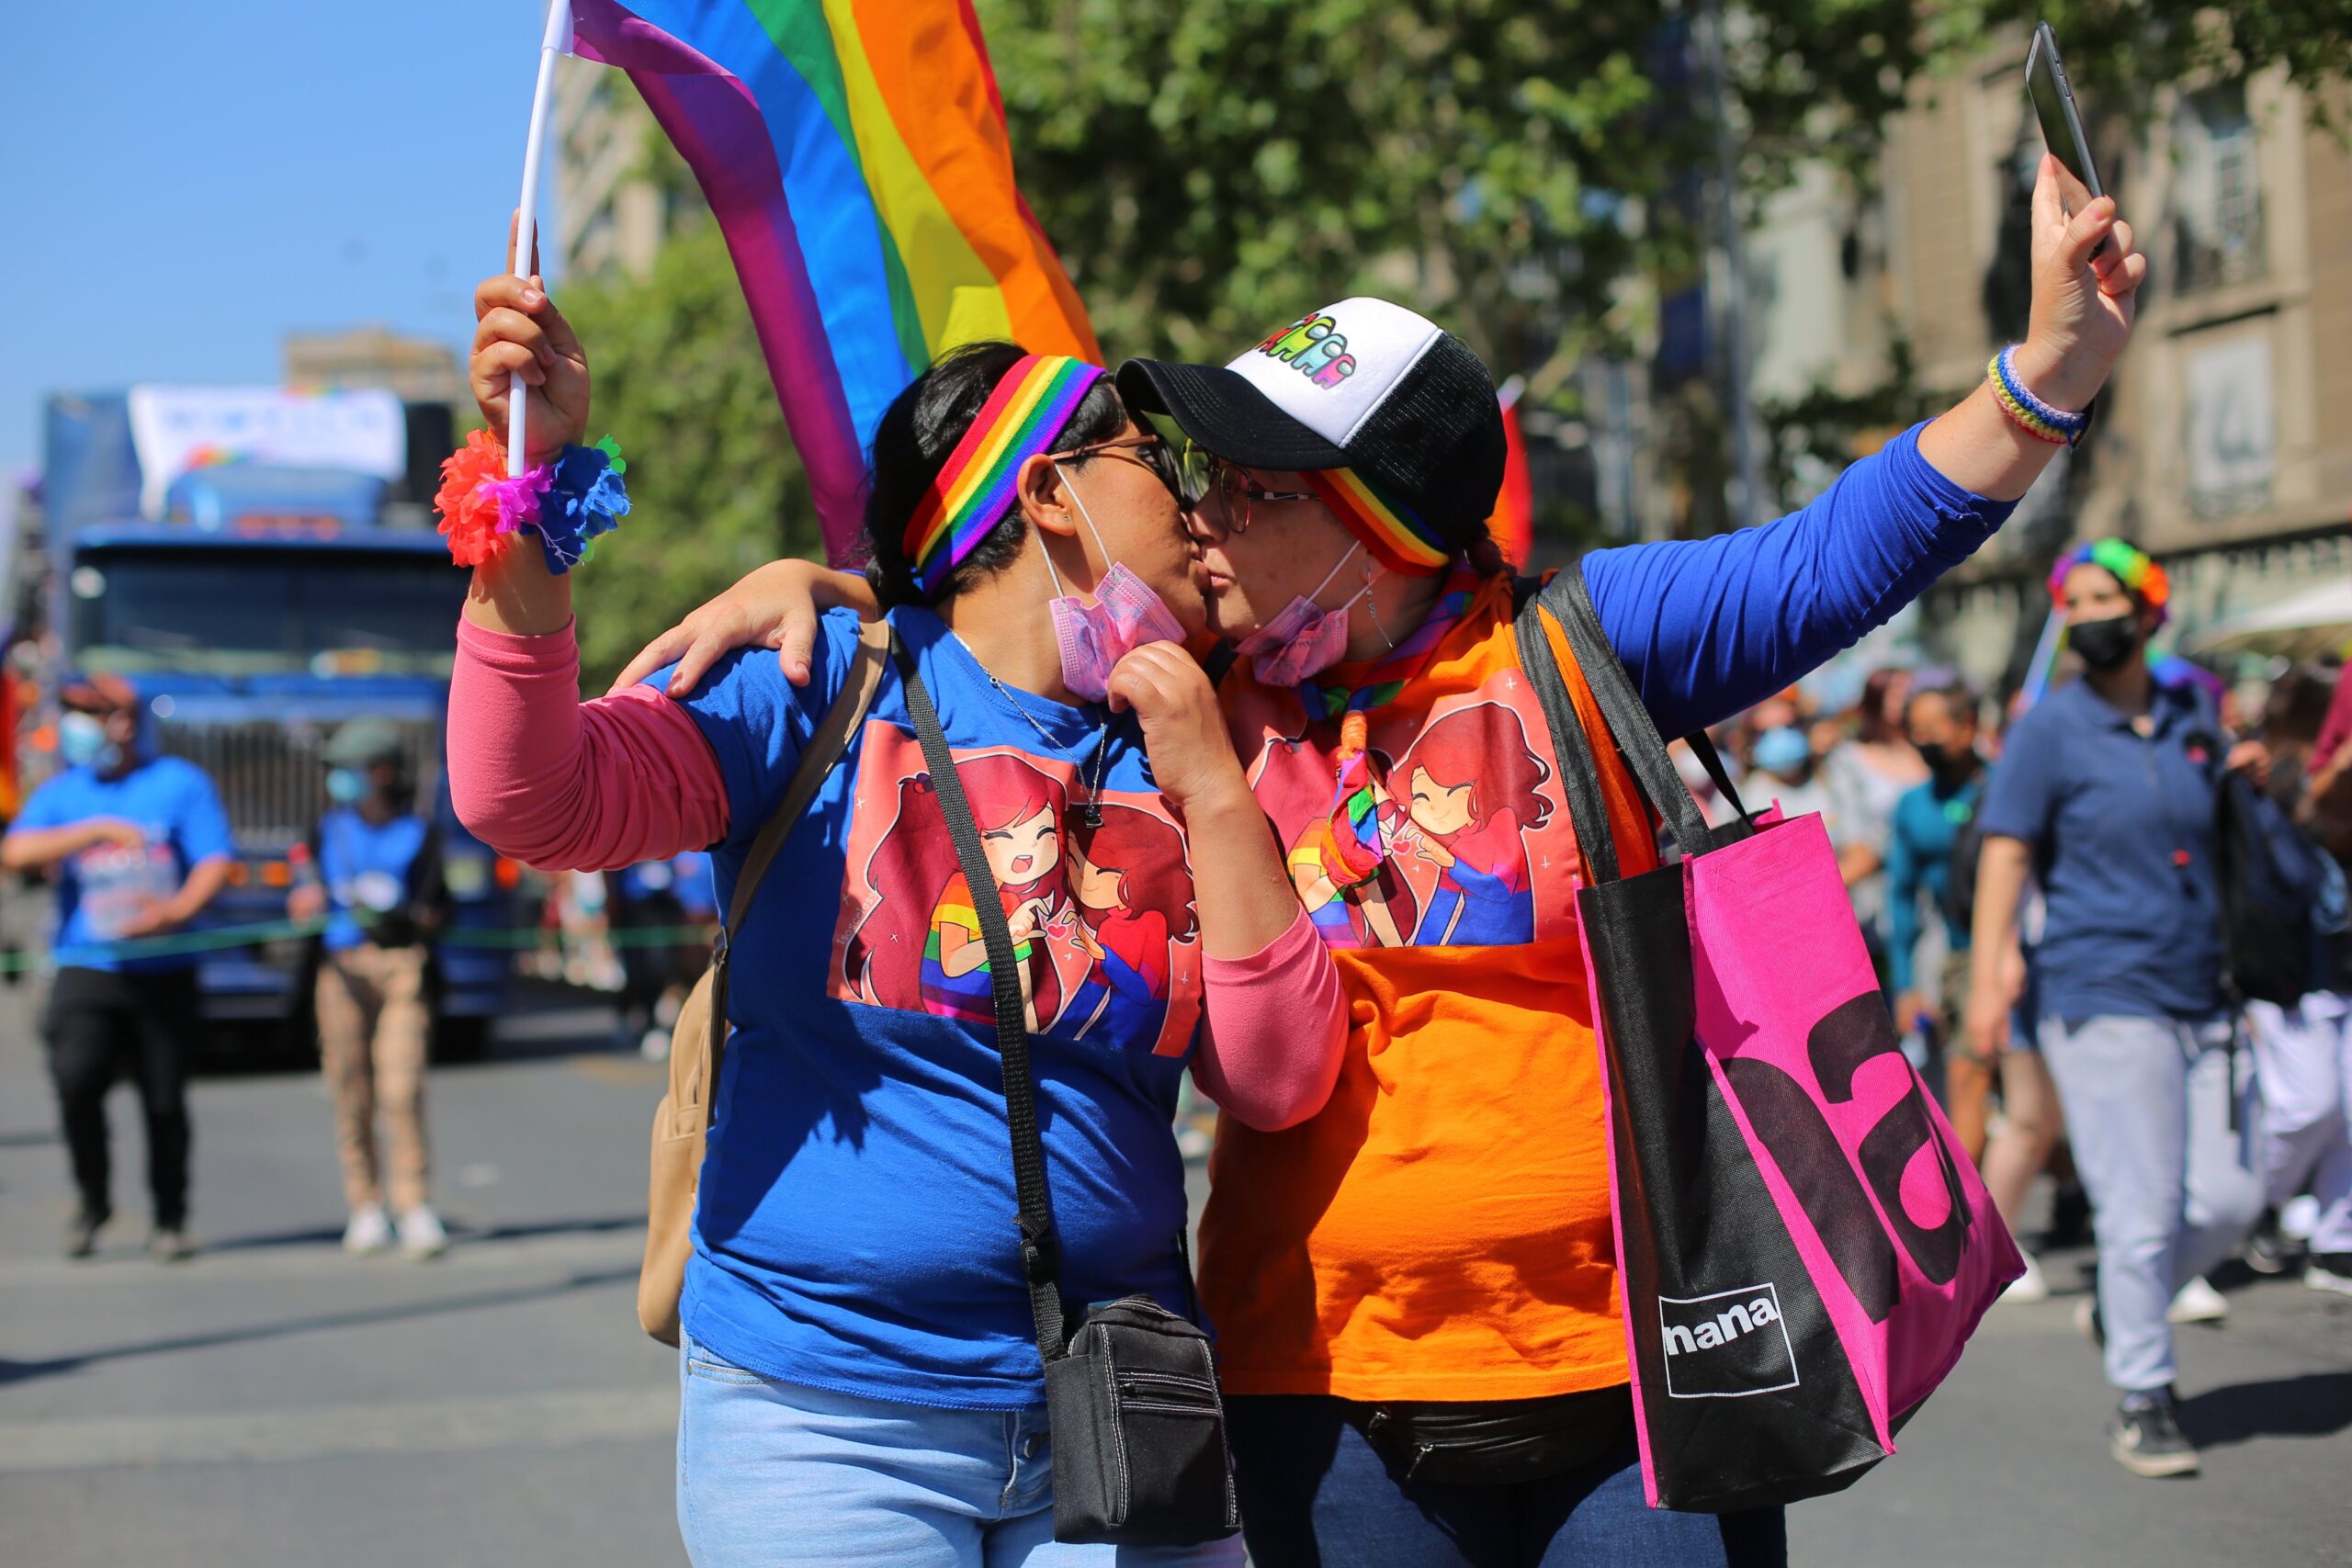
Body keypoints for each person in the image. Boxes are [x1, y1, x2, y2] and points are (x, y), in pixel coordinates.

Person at [629, 157, 2145, 1565]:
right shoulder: (1196, 694)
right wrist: (838, 589)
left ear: (1380, 527)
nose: (1206, 512)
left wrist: (2050, 370)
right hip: (1322, 1400)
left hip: (1642, 1374)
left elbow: (1833, 553)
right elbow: (989, 629)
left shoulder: (1578, 645)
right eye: (1209, 475)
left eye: (1260, 488)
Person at [456, 272, 1347, 1565]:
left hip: (1119, 1409)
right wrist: (528, 482)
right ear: (1051, 492)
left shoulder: (1196, 727)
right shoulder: (812, 684)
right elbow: (529, 797)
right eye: (1162, 464)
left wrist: (1208, 776)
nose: (1202, 504)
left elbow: (1275, 1074)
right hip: (822, 1425)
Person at [1966, 537, 2266, 1479]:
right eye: (2079, 602)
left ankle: (2122, 1307)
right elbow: (2006, 848)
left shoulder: (2190, 714)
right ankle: (2144, 1393)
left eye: (2109, 599)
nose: (2092, 616)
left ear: (2148, 609)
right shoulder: (2050, 728)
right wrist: (1989, 973)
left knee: (2234, 1194)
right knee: (2137, 1204)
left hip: (2204, 984)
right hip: (2098, 984)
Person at [1, 673, 232, 1260]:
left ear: (125, 723)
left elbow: (213, 861)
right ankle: (93, 1201)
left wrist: (173, 913)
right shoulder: (64, 793)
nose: (77, 726)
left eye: (91, 714)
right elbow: (16, 851)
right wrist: (94, 831)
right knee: (76, 1079)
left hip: (163, 965)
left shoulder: (179, 784)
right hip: (89, 965)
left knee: (164, 1100)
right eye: (74, 713)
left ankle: (170, 1217)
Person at [1888, 675, 2059, 1303]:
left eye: (1936, 727)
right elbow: (1902, 900)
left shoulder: (2008, 787)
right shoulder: (1912, 808)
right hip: (1963, 961)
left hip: (2037, 957)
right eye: (1915, 729)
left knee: (2041, 1106)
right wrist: (1906, 984)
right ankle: (1970, 1227)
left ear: (1970, 726)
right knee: (1968, 1078)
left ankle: (2063, 1193)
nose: (1925, 739)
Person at [289, 718, 449, 1259]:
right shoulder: (325, 829)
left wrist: (415, 917)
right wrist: (305, 903)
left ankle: (414, 1203)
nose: (340, 778)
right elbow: (306, 889)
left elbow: (438, 906)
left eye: (349, 768)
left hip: (401, 965)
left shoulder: (420, 832)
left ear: (381, 772)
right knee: (349, 1088)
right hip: (340, 968)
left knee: (400, 1089)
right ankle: (365, 1204)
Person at [2237, 667, 2352, 1295]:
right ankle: (2255, 1203)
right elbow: (2312, 823)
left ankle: (2337, 1239)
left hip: (2335, 965)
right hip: (2292, 974)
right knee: (2310, 1105)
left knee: (2347, 1111)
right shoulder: (2274, 778)